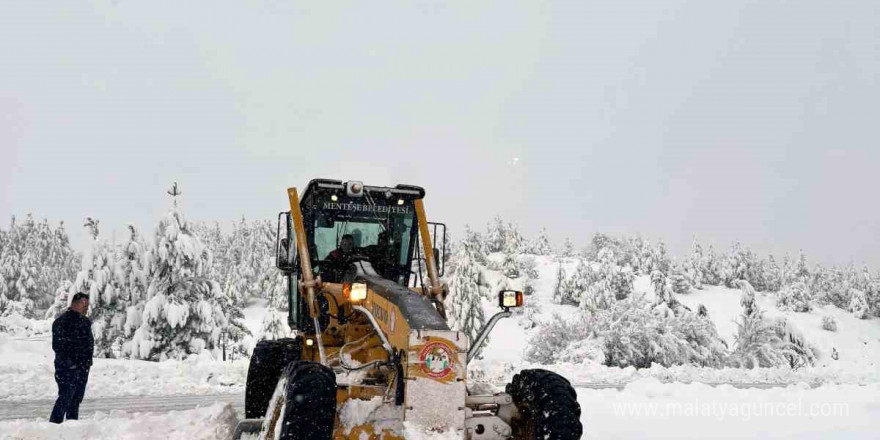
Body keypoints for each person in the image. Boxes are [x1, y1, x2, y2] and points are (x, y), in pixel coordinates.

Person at [49, 292, 94, 424]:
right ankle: (53, 426)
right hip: (67, 368)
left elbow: (87, 343)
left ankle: (72, 428)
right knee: (65, 397)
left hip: (83, 368)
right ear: (76, 304)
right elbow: (58, 346)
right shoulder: (61, 322)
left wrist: (86, 363)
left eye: (87, 306)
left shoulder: (85, 321)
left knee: (76, 399)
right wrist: (73, 362)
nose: (87, 309)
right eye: (84, 305)